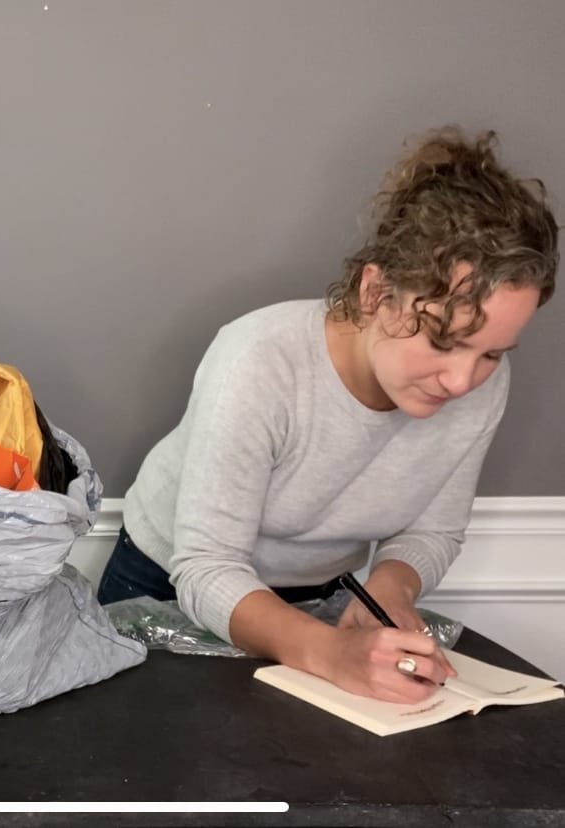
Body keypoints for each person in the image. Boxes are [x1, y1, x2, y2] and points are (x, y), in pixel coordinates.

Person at [96, 126, 559, 703]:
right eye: (443, 341)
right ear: (374, 292)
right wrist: (332, 654)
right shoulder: (259, 361)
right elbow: (208, 567)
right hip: (165, 583)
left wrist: (388, 589)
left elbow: (433, 530)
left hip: (322, 594)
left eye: (491, 352)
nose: (463, 381)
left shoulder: (484, 389)